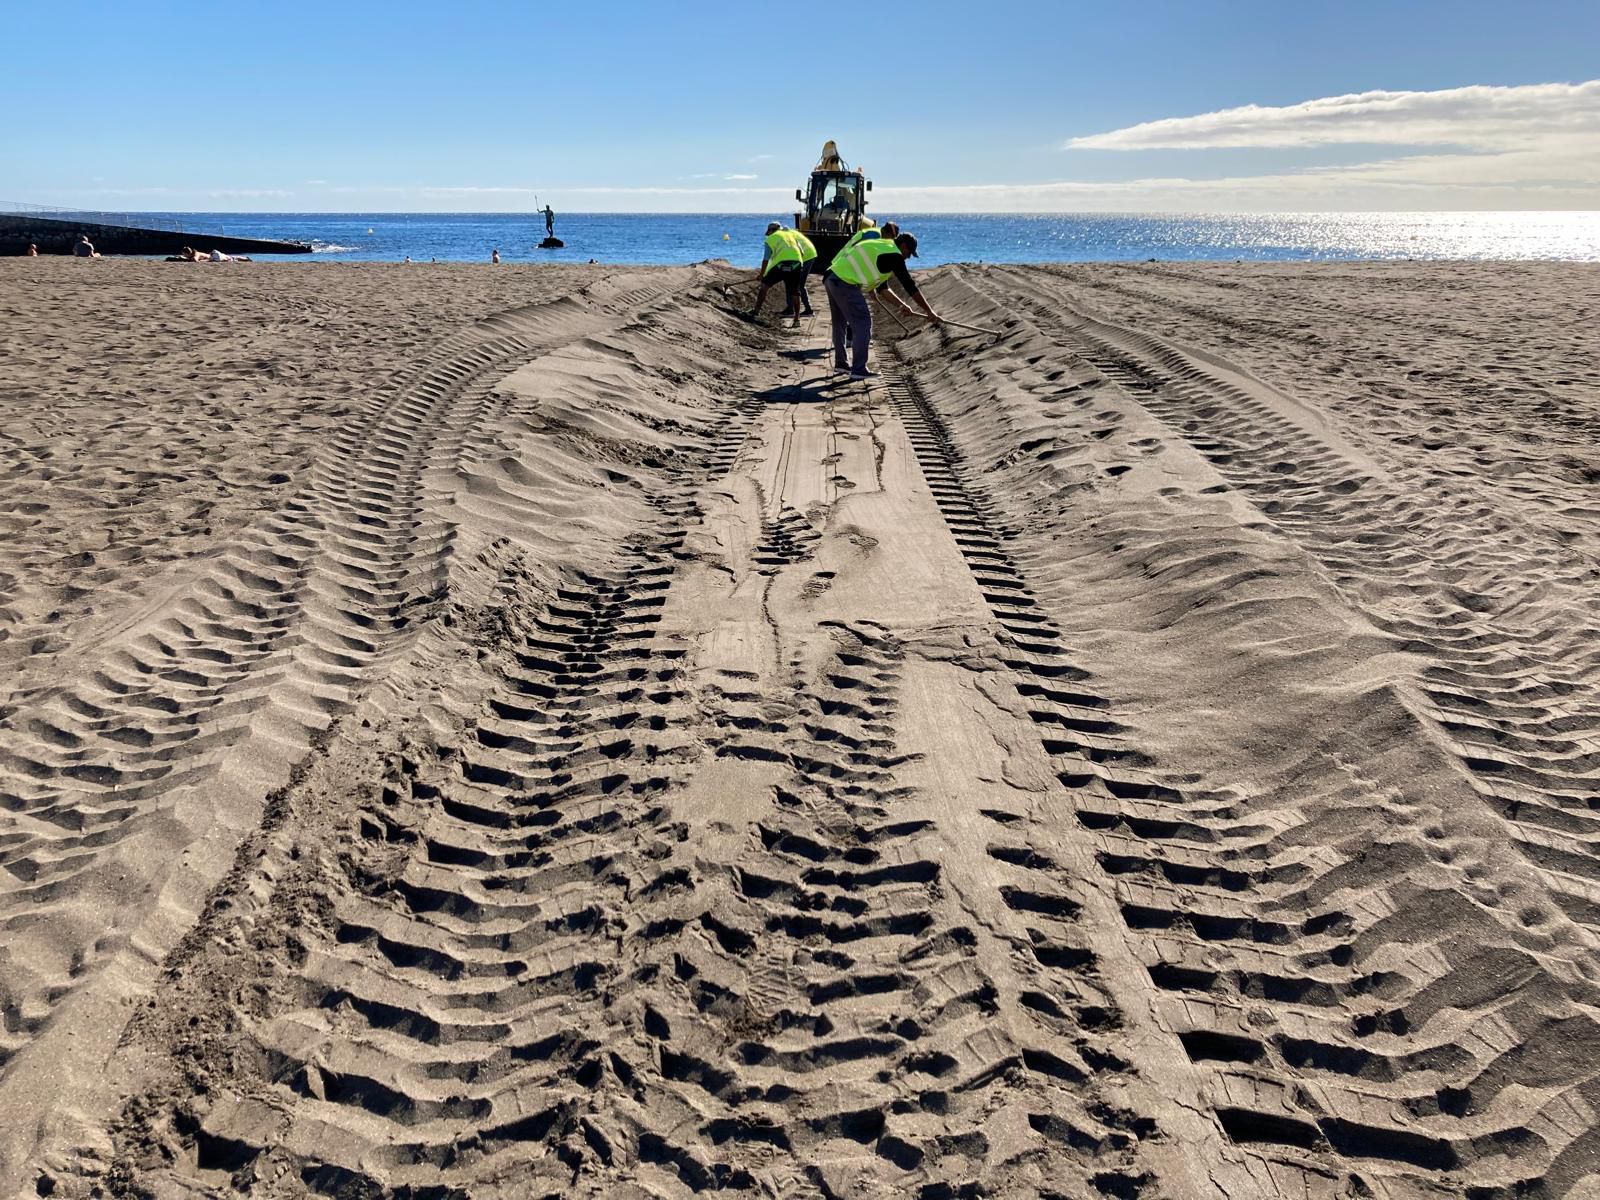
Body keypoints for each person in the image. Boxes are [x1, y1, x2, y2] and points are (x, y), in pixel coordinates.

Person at [824, 231, 941, 378]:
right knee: (863, 323)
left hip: (831, 277)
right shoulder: (895, 255)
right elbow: (909, 285)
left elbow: (883, 288)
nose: (908, 256)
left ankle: (841, 364)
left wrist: (902, 305)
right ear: (903, 246)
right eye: (909, 252)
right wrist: (929, 311)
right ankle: (859, 369)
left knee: (839, 323)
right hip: (844, 282)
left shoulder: (884, 247)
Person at [751, 222, 814, 325]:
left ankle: (755, 311)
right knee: (795, 291)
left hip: (782, 264)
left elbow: (766, 259)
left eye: (768, 232)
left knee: (764, 286)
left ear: (771, 231)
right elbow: (802, 252)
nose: (768, 234)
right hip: (797, 263)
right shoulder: (790, 235)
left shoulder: (770, 239)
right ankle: (796, 320)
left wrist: (762, 275)